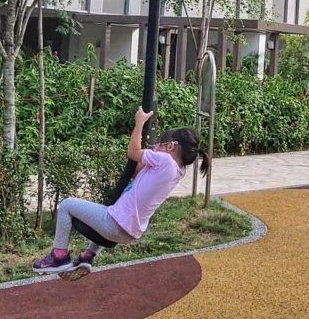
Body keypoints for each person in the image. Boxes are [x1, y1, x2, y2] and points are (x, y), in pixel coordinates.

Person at [32, 107, 209, 280]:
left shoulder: (165, 160)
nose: (155, 148)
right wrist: (150, 150)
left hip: (115, 225)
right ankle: (88, 256)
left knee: (67, 205)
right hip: (129, 233)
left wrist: (139, 123)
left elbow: (133, 153)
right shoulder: (178, 171)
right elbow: (137, 170)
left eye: (159, 145)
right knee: (107, 211)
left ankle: (59, 256)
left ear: (171, 146)